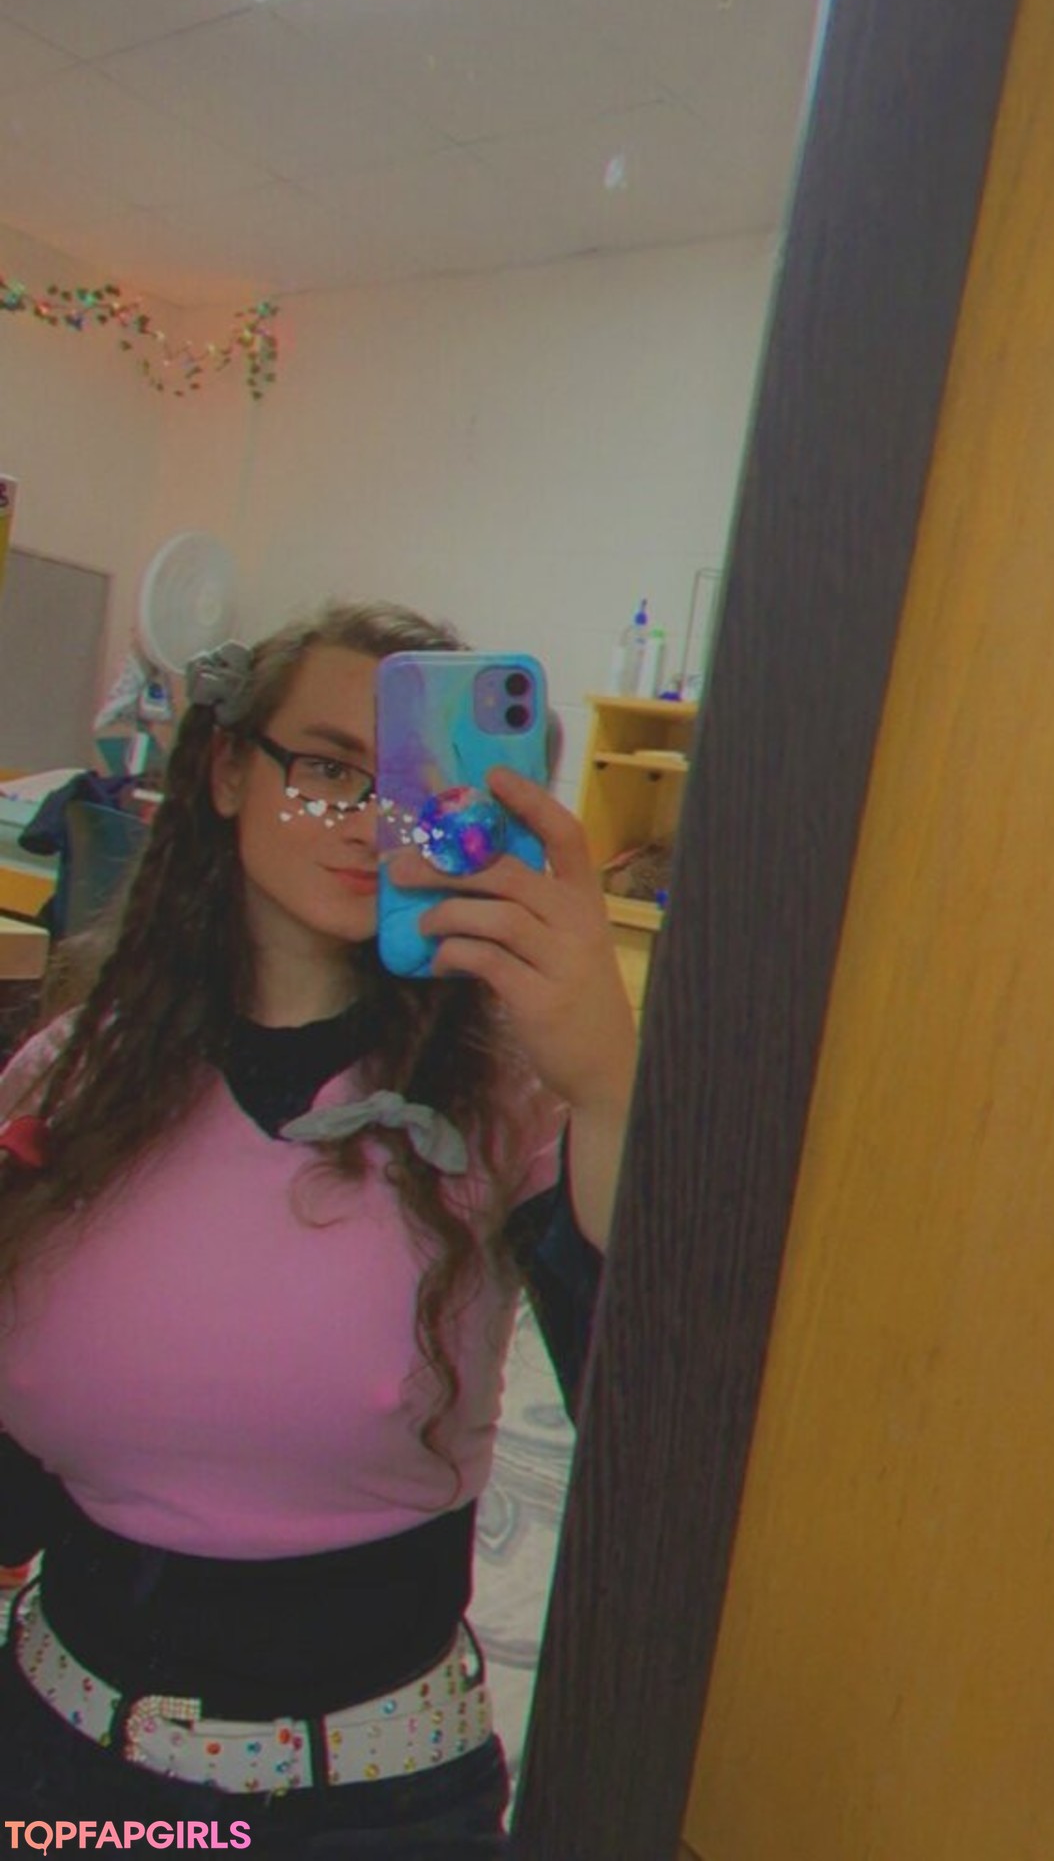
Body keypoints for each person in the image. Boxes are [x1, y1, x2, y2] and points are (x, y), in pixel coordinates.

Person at [0, 601, 637, 1855]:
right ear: (227, 770)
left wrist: (613, 1086)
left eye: (409, 785)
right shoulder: (68, 1075)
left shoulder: (511, 1098)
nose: (368, 818)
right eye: (329, 767)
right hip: (50, 1762)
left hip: (362, 1804)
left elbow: (656, 1411)